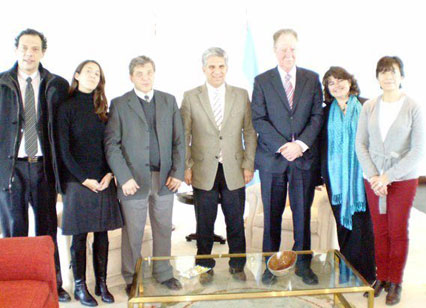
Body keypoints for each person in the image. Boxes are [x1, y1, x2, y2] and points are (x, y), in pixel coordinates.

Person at [0, 28, 71, 302]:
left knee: (46, 231)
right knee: (14, 230)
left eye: (34, 48)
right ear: (16, 50)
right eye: (24, 48)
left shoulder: (57, 84)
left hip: (44, 167)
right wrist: (7, 151)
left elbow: (62, 128)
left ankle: (54, 283)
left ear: (43, 52)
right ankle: (13, 284)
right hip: (11, 168)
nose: (29, 53)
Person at [104, 55, 185, 295]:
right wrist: (124, 176)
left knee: (163, 227)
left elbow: (179, 141)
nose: (145, 77)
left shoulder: (169, 101)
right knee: (134, 232)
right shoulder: (119, 104)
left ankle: (163, 272)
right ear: (131, 77)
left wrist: (178, 172)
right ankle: (132, 276)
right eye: (139, 73)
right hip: (133, 180)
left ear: (154, 73)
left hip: (165, 178)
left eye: (149, 72)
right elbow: (112, 144)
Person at [251, 29, 323, 285]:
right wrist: (284, 146)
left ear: (298, 49)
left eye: (292, 48)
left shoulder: (312, 79)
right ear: (274, 51)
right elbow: (258, 119)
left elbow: (317, 116)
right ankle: (270, 265)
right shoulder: (262, 81)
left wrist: (300, 145)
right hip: (273, 160)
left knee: (302, 215)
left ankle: (304, 264)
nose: (288, 53)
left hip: (303, 159)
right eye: (283, 49)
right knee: (272, 215)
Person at [180, 47, 257, 284]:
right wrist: (187, 166)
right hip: (203, 169)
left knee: (235, 221)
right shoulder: (191, 96)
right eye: (211, 66)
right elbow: (184, 135)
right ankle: (204, 265)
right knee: (204, 222)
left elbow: (250, 132)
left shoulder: (241, 94)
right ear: (204, 69)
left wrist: (248, 164)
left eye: (221, 66)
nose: (217, 71)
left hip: (234, 168)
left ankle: (237, 265)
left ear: (227, 68)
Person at [356, 56, 424, 305]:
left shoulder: (413, 107)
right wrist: (375, 176)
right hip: (372, 178)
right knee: (379, 229)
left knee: (397, 230)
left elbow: (417, 150)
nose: (388, 76)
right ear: (377, 78)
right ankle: (381, 277)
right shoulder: (369, 106)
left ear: (402, 76)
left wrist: (388, 176)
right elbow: (360, 144)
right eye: (383, 72)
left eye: (393, 72)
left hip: (402, 179)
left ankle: (396, 281)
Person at [57, 60, 123, 306]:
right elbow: (64, 151)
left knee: (102, 234)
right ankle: (80, 286)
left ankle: (102, 284)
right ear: (76, 75)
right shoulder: (66, 107)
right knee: (80, 237)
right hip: (78, 181)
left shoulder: (102, 108)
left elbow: (109, 146)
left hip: (104, 180)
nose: (93, 76)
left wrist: (109, 174)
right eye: (88, 71)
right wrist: (84, 179)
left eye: (97, 73)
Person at [320, 66, 376, 283]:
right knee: (343, 226)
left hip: (362, 178)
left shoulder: (367, 106)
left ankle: (368, 275)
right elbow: (319, 146)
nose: (337, 85)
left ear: (350, 81)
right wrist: (319, 177)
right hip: (335, 180)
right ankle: (349, 271)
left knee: (363, 226)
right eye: (331, 83)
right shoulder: (325, 112)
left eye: (340, 80)